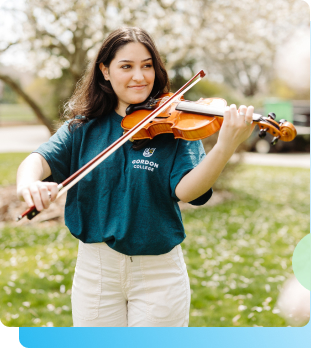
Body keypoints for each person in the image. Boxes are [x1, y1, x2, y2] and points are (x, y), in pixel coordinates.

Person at [16, 27, 255, 327]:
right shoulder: (83, 128)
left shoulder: (174, 123)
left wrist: (225, 147)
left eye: (147, 65)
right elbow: (36, 160)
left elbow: (188, 192)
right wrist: (29, 184)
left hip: (158, 273)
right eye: (126, 66)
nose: (139, 76)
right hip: (96, 272)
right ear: (105, 70)